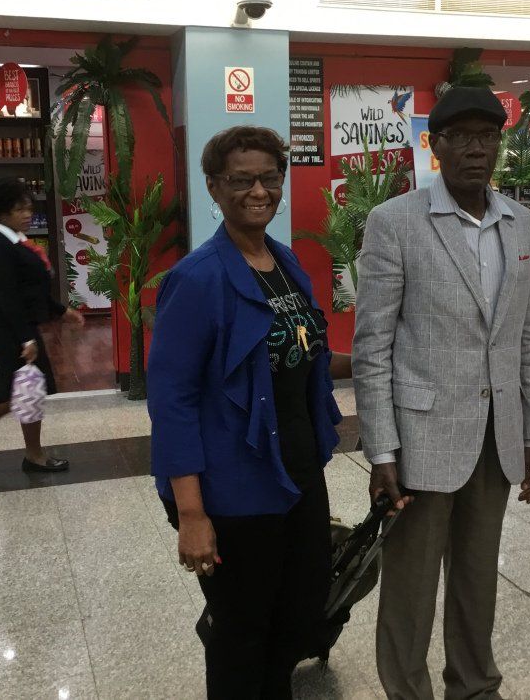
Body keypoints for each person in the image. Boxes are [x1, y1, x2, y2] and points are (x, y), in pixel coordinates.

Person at [353, 87, 530, 698]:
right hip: (421, 440)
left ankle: (474, 686)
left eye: (486, 137)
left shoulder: (520, 221)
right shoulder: (396, 222)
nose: (475, 149)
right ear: (435, 145)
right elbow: (373, 348)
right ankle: (407, 692)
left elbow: (527, 339)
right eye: (460, 137)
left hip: (497, 438)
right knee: (410, 588)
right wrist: (382, 452)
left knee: (477, 577)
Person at [147, 126, 351, 699]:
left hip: (297, 473)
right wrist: (192, 514)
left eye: (268, 178)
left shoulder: (284, 262)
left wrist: (374, 360)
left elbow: (305, 354)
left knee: (297, 618)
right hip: (233, 488)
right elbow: (172, 401)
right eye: (241, 180)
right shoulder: (197, 279)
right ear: (214, 187)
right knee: (242, 634)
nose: (258, 191)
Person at [0, 177, 84, 471]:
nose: (27, 214)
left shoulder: (16, 240)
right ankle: (33, 455)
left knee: (21, 389)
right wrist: (27, 338)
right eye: (19, 209)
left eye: (28, 208)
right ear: (2, 212)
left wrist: (61, 311)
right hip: (10, 326)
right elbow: (8, 296)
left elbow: (30, 288)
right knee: (27, 388)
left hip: (18, 323)